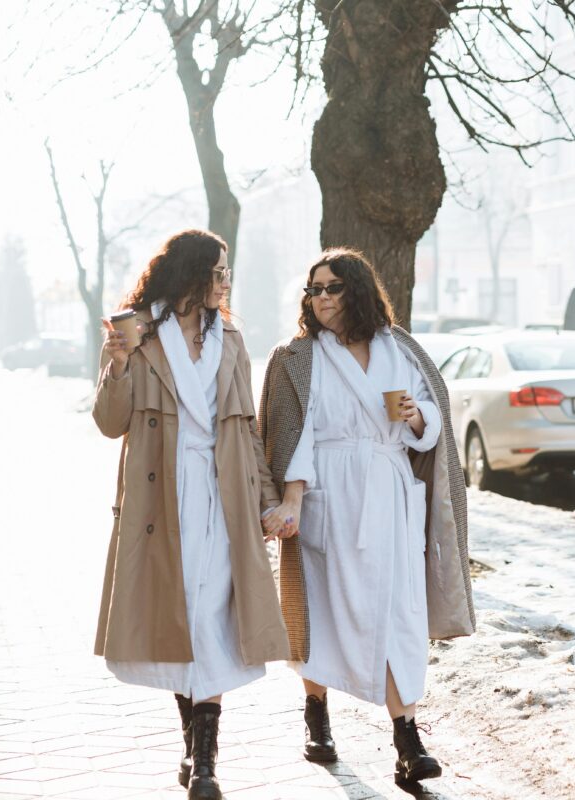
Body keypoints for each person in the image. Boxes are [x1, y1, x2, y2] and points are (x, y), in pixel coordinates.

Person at [258, 248, 475, 786]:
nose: (322, 298)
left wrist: (417, 415)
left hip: (391, 492)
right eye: (314, 290)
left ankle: (407, 738)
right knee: (322, 614)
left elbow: (432, 417)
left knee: (398, 613)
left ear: (356, 289)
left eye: (332, 288)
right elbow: (291, 434)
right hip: (329, 493)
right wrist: (291, 500)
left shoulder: (399, 348)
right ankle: (316, 716)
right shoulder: (297, 357)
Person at [92, 230, 288, 800]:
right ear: (192, 273)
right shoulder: (138, 333)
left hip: (222, 496)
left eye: (228, 273)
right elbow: (109, 423)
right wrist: (117, 366)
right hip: (162, 499)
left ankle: (204, 761)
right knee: (182, 617)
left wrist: (267, 499)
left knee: (210, 618)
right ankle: (192, 743)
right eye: (219, 271)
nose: (226, 282)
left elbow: (247, 429)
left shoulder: (230, 338)